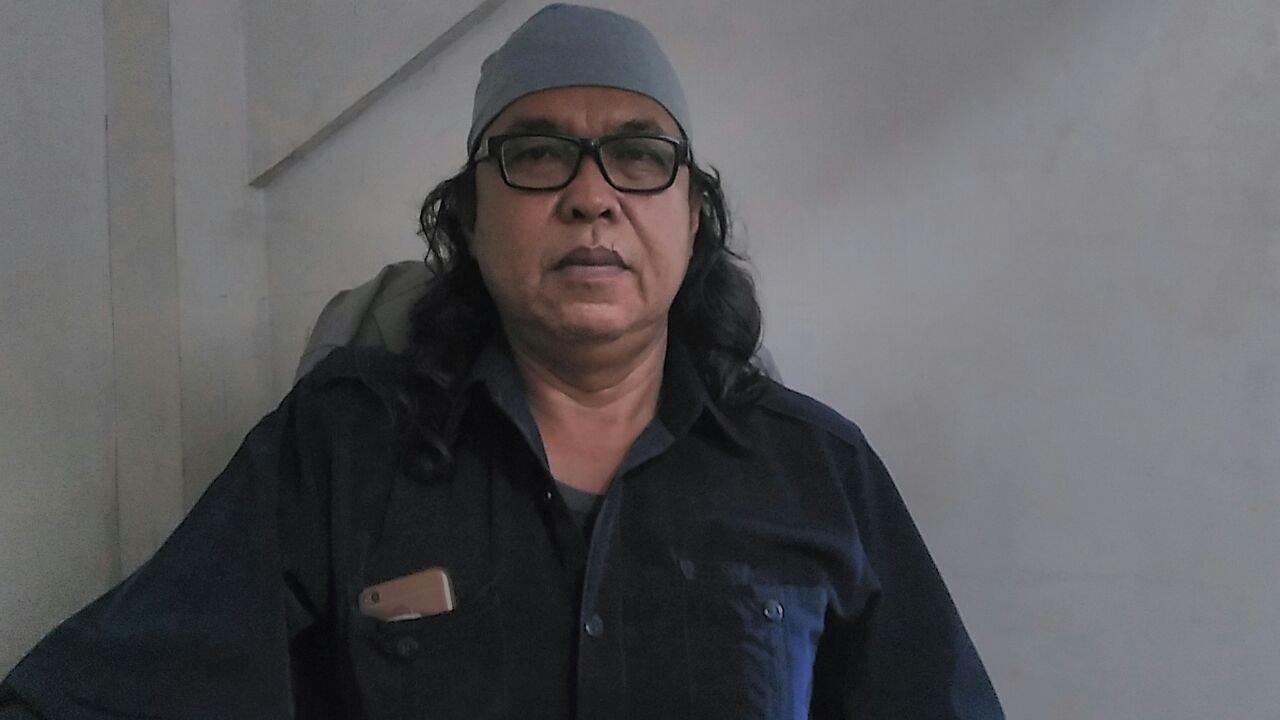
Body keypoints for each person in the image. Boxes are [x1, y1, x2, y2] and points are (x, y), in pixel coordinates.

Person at [0, 4, 1004, 718]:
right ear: (470, 219)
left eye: (639, 156)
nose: (591, 196)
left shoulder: (819, 474)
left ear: (693, 218)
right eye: (536, 154)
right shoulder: (341, 448)